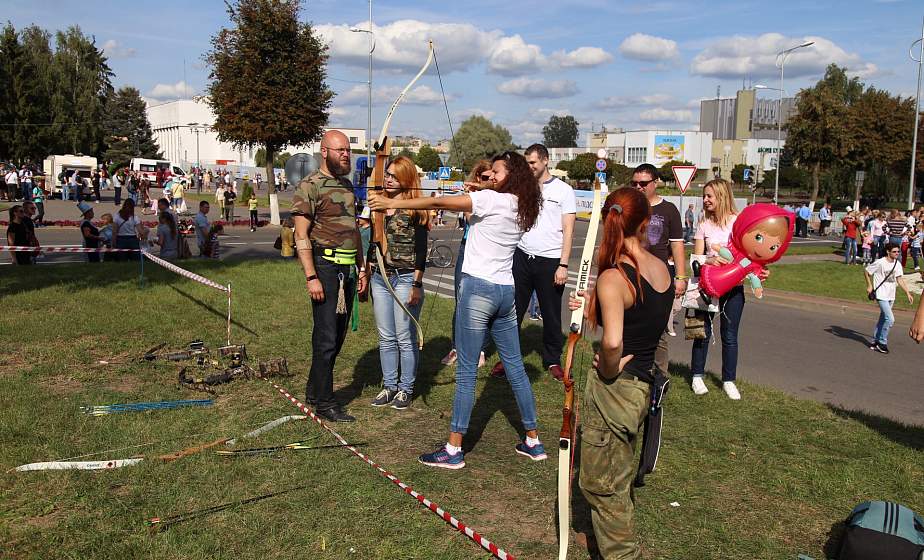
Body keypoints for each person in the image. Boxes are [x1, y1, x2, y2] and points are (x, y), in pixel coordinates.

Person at [369, 150, 545, 469]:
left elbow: (439, 204)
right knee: (515, 367)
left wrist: (392, 204)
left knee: (466, 370)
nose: (490, 175)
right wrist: (478, 185)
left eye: (496, 172)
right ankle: (533, 441)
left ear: (512, 176)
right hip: (506, 292)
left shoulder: (492, 201)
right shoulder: (520, 204)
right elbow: (477, 201)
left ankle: (453, 449)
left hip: (478, 290)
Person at [577, 187, 673, 560]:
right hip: (642, 386)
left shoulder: (615, 276)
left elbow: (614, 342)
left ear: (607, 221)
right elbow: (643, 319)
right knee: (617, 471)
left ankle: (622, 553)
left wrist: (609, 365)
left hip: (617, 388)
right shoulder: (659, 267)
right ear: (645, 222)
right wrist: (594, 302)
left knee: (602, 486)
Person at [291, 130, 367, 423]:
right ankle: (324, 402)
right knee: (326, 338)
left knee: (336, 336)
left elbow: (353, 231)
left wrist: (362, 267)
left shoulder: (347, 185)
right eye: (340, 150)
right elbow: (301, 236)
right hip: (325, 269)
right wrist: (311, 276)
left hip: (347, 270)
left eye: (348, 150)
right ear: (324, 152)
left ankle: (314, 391)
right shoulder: (309, 186)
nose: (346, 155)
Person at [490, 144, 576, 381]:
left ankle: (551, 360)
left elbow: (569, 230)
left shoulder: (564, 191)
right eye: (526, 163)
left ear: (546, 161)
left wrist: (563, 264)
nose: (529, 167)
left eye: (533, 163)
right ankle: (507, 359)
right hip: (521, 256)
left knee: (551, 314)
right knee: (511, 312)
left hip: (550, 260)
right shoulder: (522, 187)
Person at [366, 156, 429, 410]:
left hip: (405, 279)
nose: (388, 179)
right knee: (386, 337)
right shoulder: (379, 204)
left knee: (405, 337)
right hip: (381, 277)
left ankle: (406, 389)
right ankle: (389, 386)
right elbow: (373, 239)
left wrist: (417, 284)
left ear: (405, 178)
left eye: (393, 175)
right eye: (387, 175)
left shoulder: (416, 207)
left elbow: (422, 250)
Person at [689, 179, 745, 399]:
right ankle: (696, 376)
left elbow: (747, 254)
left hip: (734, 288)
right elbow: (695, 259)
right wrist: (708, 262)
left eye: (709, 196)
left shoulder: (738, 223)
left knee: (730, 336)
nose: (705, 200)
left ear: (722, 196)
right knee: (701, 332)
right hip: (706, 286)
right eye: (704, 196)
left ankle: (729, 380)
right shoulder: (703, 224)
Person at [630, 163, 687, 378]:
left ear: (655, 183)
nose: (638, 187)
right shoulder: (629, 206)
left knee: (658, 330)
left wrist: (680, 277)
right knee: (632, 325)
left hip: (660, 278)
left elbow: (677, 245)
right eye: (634, 183)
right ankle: (633, 369)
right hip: (632, 274)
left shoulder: (668, 210)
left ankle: (660, 375)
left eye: (643, 183)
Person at [440, 160, 491, 368]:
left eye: (490, 177)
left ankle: (479, 349)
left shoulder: (496, 198)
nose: (486, 181)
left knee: (482, 303)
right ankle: (456, 346)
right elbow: (469, 220)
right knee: (460, 299)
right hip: (466, 247)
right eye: (482, 177)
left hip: (485, 250)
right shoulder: (471, 198)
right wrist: (470, 197)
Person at [865, 243, 914, 354]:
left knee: (883, 318)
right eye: (894, 252)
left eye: (898, 252)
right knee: (890, 319)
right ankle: (882, 342)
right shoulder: (880, 262)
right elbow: (867, 271)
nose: (897, 253)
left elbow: (899, 279)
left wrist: (907, 293)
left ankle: (875, 341)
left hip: (891, 295)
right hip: (881, 294)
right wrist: (869, 285)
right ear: (888, 251)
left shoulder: (897, 264)